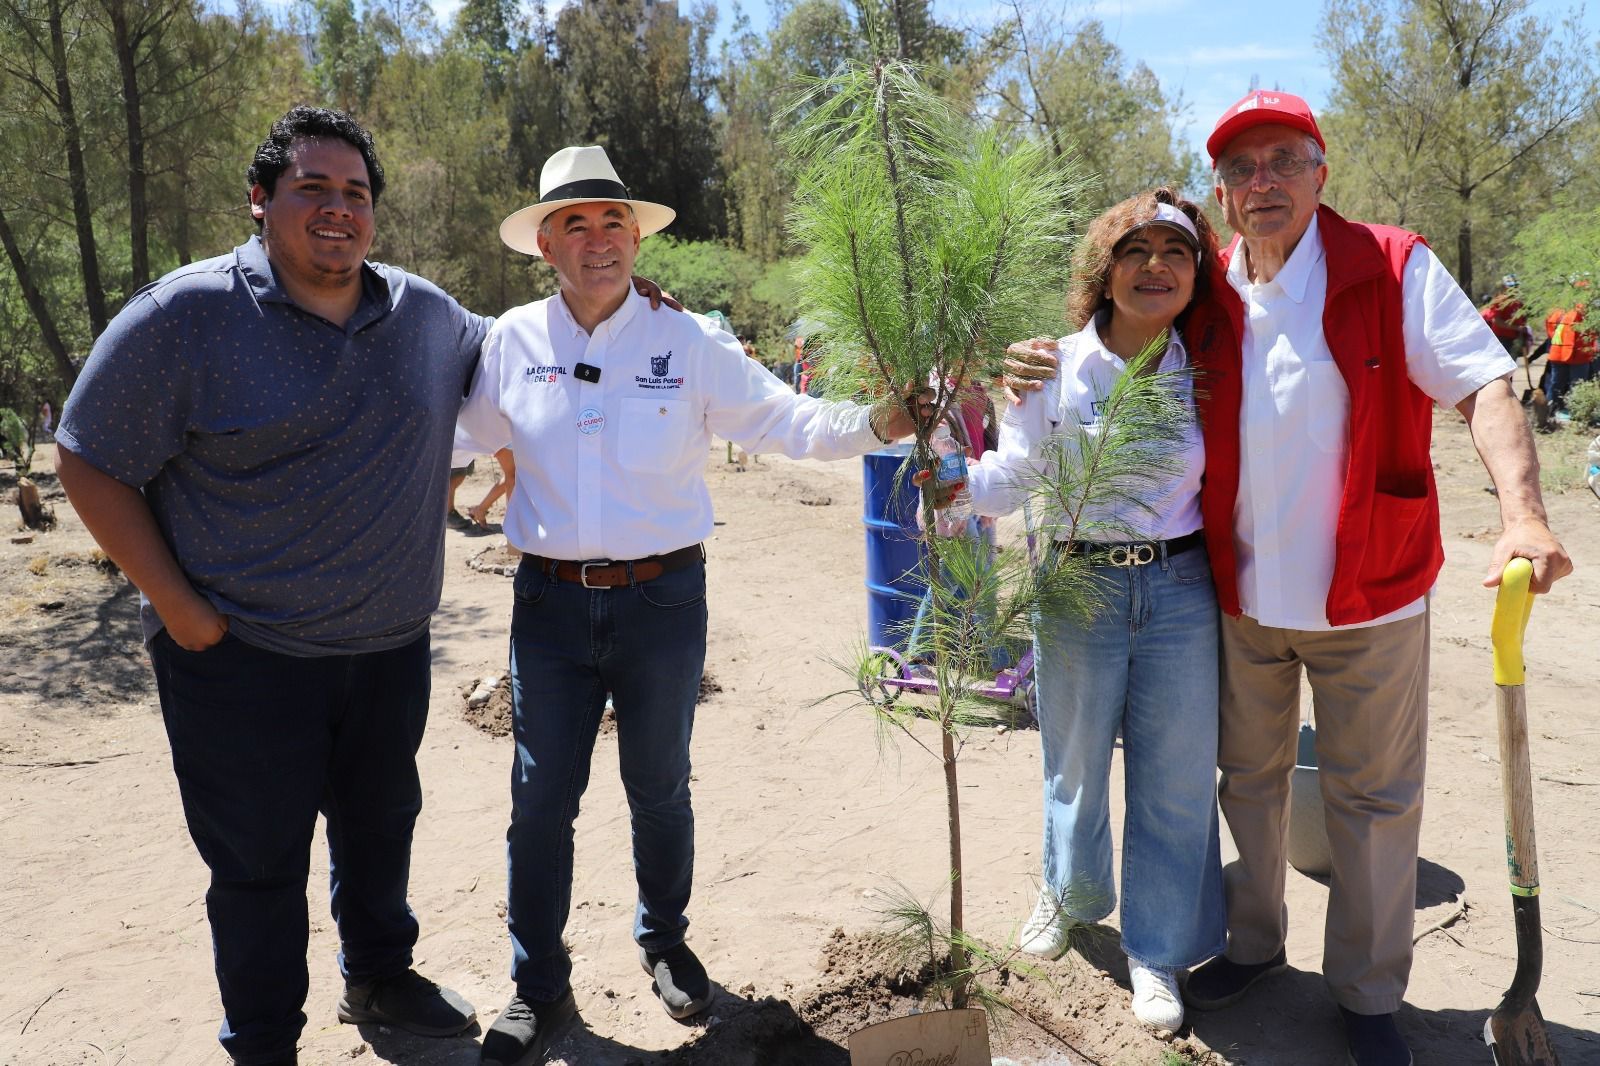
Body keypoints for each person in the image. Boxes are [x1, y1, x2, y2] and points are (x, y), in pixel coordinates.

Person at [52, 106, 674, 1066]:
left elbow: (525, 350)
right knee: (257, 865)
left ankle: (379, 976)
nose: (338, 209)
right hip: (242, 657)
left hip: (389, 647)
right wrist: (178, 609)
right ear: (260, 202)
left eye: (356, 193)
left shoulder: (423, 315)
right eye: (313, 188)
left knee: (381, 828)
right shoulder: (185, 316)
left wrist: (622, 294)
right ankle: (263, 1041)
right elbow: (89, 458)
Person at [1004, 91, 1572, 1066]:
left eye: (1280, 161)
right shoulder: (1209, 290)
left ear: (1319, 173)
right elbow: (1110, 354)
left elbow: (1482, 379)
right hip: (1238, 602)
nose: (1260, 182)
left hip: (1372, 593)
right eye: (1240, 168)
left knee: (1371, 799)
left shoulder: (1392, 267)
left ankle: (1364, 993)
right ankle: (1255, 946)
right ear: (1221, 196)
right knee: (1247, 783)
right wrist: (1032, 368)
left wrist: (1522, 511)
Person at [456, 144, 920, 1066]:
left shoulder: (687, 341)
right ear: (545, 243)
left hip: (664, 600)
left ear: (636, 236)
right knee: (540, 800)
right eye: (575, 225)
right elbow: (460, 438)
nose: (598, 240)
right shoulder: (510, 340)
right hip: (547, 606)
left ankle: (664, 941)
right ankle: (537, 987)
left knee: (659, 786)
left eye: (613, 222)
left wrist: (878, 422)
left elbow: (783, 419)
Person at [964, 189, 1226, 1035]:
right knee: (1072, 760)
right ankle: (1068, 898)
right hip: (1079, 585)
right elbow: (1011, 476)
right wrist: (947, 481)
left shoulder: (1213, 363)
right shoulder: (1050, 367)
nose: (1156, 267)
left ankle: (1156, 953)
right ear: (1103, 271)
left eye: (1175, 252)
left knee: (1177, 777)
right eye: (1135, 250)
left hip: (1184, 591)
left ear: (1197, 273)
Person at [1543, 288, 1594, 419]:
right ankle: (1575, 415)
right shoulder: (1584, 310)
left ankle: (1549, 413)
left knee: (1557, 384)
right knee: (1576, 385)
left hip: (1560, 352)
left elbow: (1549, 329)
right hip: (1576, 354)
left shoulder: (1558, 309)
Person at [467, 447, 517, 528]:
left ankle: (480, 510)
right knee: (513, 476)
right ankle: (513, 527)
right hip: (508, 439)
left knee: (513, 475)